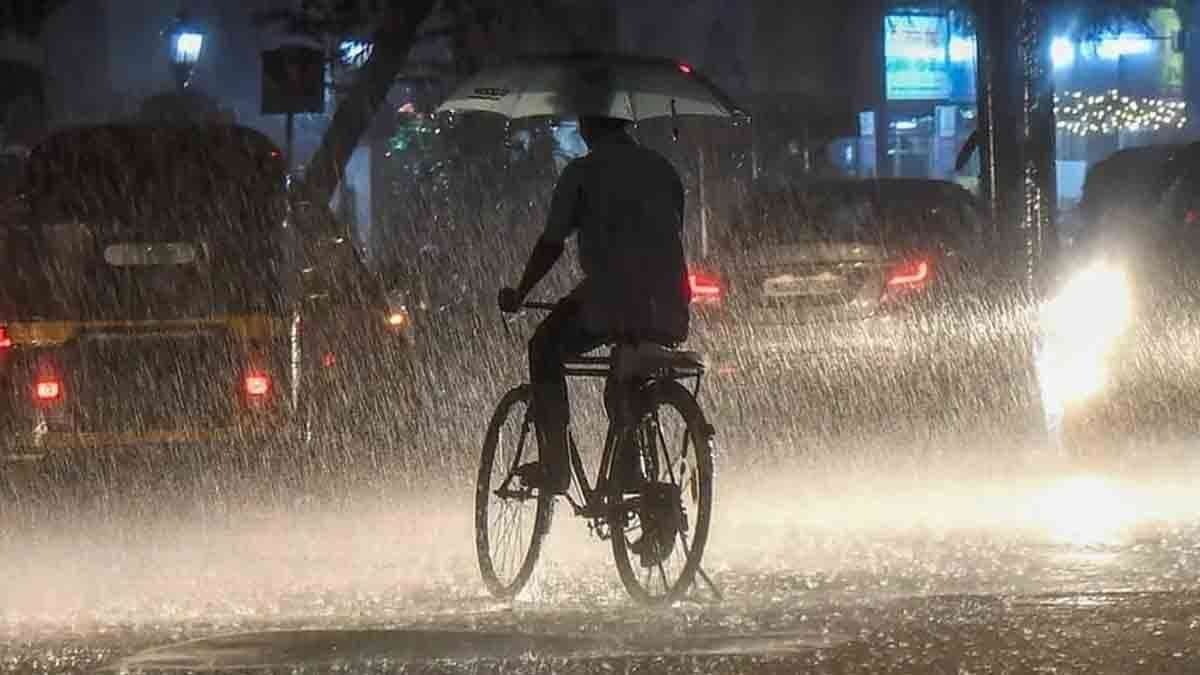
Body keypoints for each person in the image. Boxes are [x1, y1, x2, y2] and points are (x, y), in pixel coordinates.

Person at [499, 115, 690, 496]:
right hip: (670, 303)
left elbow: (552, 243)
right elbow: (670, 232)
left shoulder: (582, 173)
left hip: (611, 297)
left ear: (588, 127)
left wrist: (521, 292)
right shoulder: (662, 168)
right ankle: (628, 469)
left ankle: (555, 465)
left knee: (544, 347)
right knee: (628, 374)